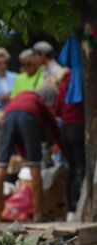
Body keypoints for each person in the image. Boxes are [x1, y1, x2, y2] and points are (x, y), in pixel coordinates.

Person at [0, 91, 61, 223]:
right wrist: (60, 143)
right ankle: (38, 214)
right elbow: (52, 123)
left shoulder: (14, 100)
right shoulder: (38, 100)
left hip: (7, 120)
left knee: (1, 166)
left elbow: (9, 126)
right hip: (29, 119)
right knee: (35, 166)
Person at [55, 70, 85, 221]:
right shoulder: (84, 79)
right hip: (78, 128)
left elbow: (58, 109)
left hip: (66, 129)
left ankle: (71, 211)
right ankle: (77, 207)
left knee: (72, 169)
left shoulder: (64, 83)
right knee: (80, 168)